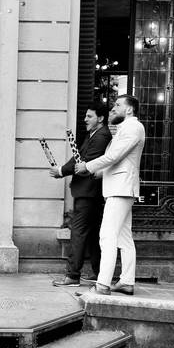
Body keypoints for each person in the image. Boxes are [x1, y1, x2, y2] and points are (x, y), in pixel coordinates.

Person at [75, 94, 146, 295]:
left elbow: (114, 156)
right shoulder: (125, 128)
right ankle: (126, 282)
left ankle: (103, 284)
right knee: (124, 238)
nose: (113, 108)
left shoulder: (133, 127)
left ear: (130, 109)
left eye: (117, 105)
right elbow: (117, 160)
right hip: (120, 187)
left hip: (121, 189)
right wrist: (98, 172)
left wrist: (87, 166)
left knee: (107, 236)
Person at [50, 103, 112, 286]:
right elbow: (78, 157)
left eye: (89, 116)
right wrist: (61, 169)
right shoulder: (93, 134)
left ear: (100, 118)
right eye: (85, 116)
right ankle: (98, 273)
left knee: (78, 233)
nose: (85, 119)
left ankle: (72, 276)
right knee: (92, 234)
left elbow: (86, 161)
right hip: (87, 191)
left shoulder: (102, 135)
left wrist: (61, 170)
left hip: (89, 192)